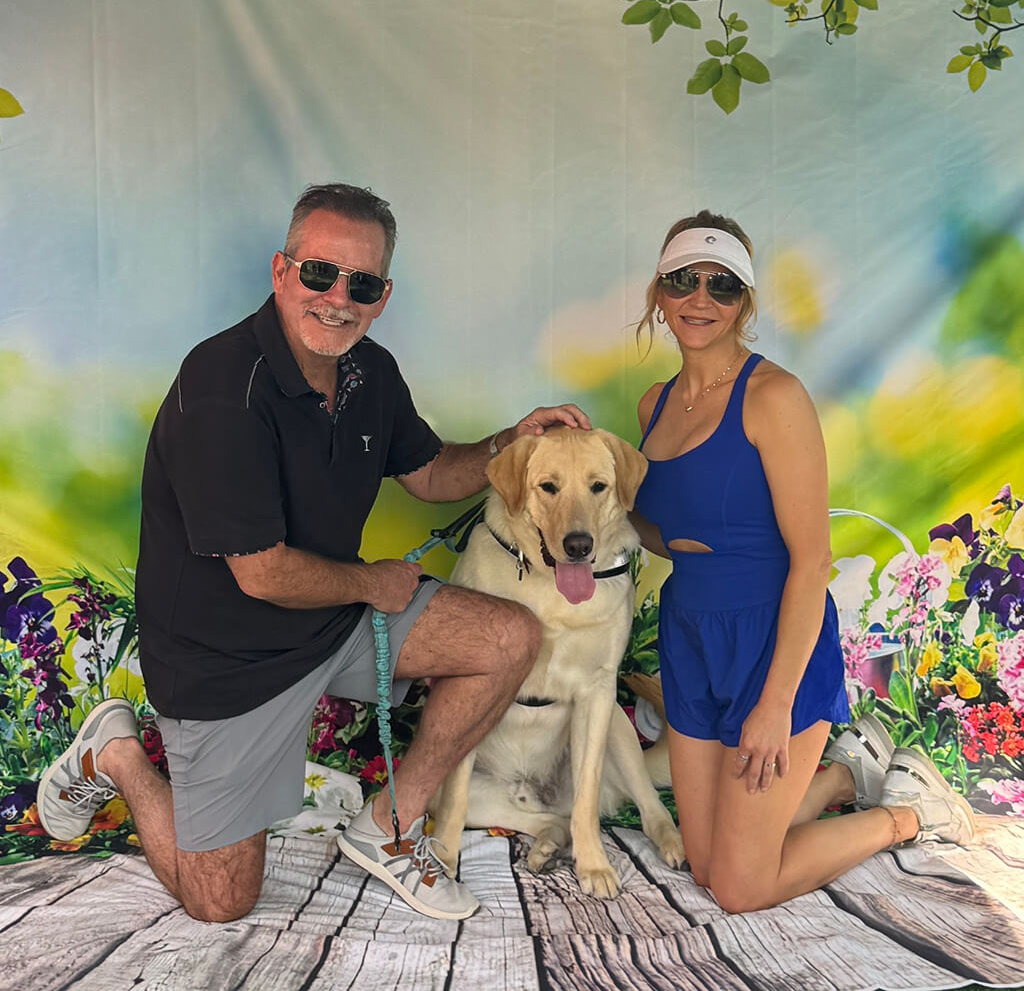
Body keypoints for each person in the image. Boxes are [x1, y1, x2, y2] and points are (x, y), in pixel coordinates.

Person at [35, 182, 589, 923]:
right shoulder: (222, 386)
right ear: (280, 271)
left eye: (360, 283)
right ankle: (116, 754)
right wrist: (373, 585)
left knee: (508, 635)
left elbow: (428, 474)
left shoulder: (371, 373)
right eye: (319, 273)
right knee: (220, 904)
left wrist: (508, 443)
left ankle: (388, 827)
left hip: (329, 619)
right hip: (223, 662)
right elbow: (261, 573)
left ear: (382, 295)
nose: (337, 298)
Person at [629, 210, 975, 913]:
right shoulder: (652, 404)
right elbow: (666, 533)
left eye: (722, 286)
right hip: (691, 632)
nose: (700, 299)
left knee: (739, 886)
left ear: (745, 302)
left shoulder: (773, 397)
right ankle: (844, 777)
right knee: (703, 865)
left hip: (771, 640)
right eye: (683, 281)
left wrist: (774, 703)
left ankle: (906, 816)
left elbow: (811, 561)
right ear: (659, 293)